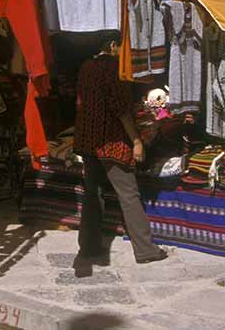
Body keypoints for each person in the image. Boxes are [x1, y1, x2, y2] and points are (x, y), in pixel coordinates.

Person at [74, 40, 167, 275]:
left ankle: (88, 247)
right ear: (113, 45)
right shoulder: (115, 69)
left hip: (88, 140)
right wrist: (136, 140)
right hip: (111, 141)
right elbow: (121, 109)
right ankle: (146, 250)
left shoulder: (85, 66)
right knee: (128, 193)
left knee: (93, 194)